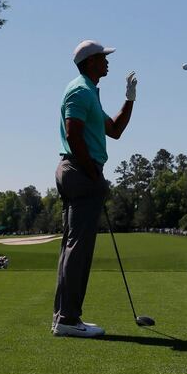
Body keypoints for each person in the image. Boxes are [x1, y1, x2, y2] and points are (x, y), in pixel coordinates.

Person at [52, 39, 137, 338]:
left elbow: (113, 130)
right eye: (103, 57)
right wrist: (94, 175)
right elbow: (74, 135)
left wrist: (130, 99)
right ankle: (67, 318)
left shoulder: (90, 93)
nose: (107, 61)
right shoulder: (79, 90)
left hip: (77, 170)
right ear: (90, 62)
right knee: (78, 248)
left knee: (72, 247)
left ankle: (65, 317)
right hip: (79, 169)